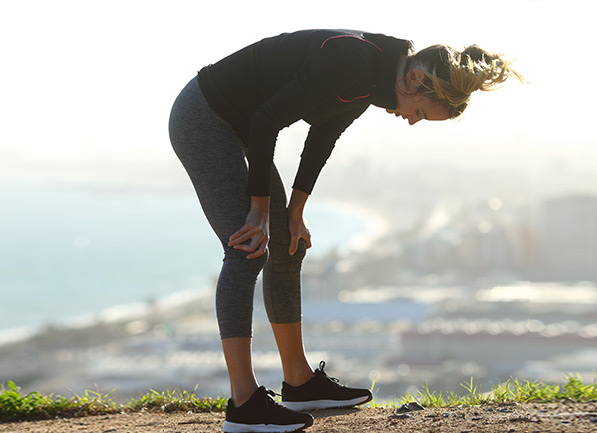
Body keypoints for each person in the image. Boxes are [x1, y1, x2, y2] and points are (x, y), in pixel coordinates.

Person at [167, 29, 522, 433]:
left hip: (242, 125)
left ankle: (299, 382)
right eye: (420, 112)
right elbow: (267, 122)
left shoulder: (374, 79)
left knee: (289, 246)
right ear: (415, 80)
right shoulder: (351, 63)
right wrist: (260, 211)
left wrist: (295, 213)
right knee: (248, 248)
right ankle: (244, 404)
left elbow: (323, 137)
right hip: (205, 117)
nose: (411, 120)